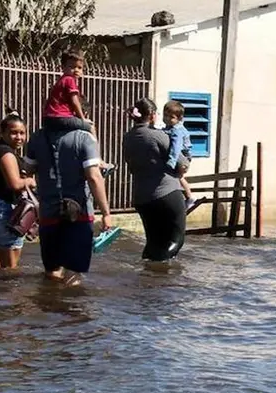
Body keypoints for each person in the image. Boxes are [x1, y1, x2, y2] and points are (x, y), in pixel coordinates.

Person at [24, 102, 113, 287]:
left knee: (52, 270)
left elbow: (28, 168)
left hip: (48, 212)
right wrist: (106, 213)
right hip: (78, 212)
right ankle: (71, 311)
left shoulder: (37, 137)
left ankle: (51, 308)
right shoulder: (84, 138)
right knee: (74, 272)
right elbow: (94, 177)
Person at [123, 98, 187, 261]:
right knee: (175, 240)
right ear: (152, 115)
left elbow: (130, 166)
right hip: (167, 193)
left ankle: (147, 277)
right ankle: (164, 280)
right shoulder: (158, 136)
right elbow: (182, 164)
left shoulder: (128, 137)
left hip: (142, 198)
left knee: (153, 242)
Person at [42, 49, 114, 177]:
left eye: (79, 68)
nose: (76, 70)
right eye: (72, 67)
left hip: (49, 118)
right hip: (59, 117)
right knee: (90, 127)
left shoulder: (61, 81)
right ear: (63, 67)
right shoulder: (69, 80)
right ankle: (99, 162)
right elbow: (74, 100)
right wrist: (82, 119)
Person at [0, 110, 37, 269]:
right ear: (3, 133)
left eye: (22, 133)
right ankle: (9, 294)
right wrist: (30, 181)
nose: (19, 137)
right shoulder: (6, 153)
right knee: (10, 270)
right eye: (13, 133)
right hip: (2, 211)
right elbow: (15, 184)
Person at [162, 100, 194, 209]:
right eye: (165, 115)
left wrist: (171, 161)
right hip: (182, 158)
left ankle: (189, 197)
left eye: (171, 117)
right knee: (177, 177)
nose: (167, 119)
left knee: (178, 177)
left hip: (182, 159)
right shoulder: (171, 128)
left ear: (179, 119)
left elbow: (176, 148)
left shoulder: (177, 131)